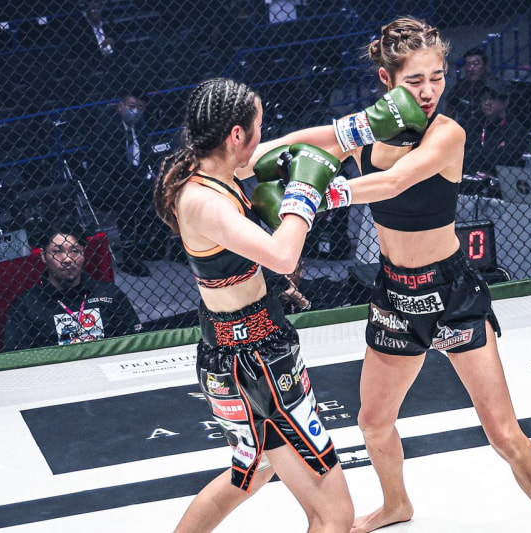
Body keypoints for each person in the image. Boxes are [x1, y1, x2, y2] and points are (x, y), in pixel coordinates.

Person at [241, 16, 531, 533]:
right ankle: (397, 504)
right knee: (373, 424)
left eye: (437, 76)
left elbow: (394, 182)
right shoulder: (366, 130)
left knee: (504, 434)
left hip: (452, 294)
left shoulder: (447, 133)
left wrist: (317, 195)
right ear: (386, 80)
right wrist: (244, 161)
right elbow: (275, 154)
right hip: (395, 295)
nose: (429, 91)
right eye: (415, 80)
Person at [151, 78, 354, 533]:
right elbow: (283, 256)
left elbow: (295, 143)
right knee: (335, 515)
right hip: (257, 362)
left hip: (238, 351)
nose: (264, 134)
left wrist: (360, 128)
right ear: (236, 134)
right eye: (259, 126)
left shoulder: (214, 172)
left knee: (255, 470)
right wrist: (303, 194)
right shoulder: (203, 201)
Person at [3, 223, 142, 352]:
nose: (67, 259)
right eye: (57, 252)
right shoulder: (26, 305)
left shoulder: (109, 293)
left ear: (83, 253)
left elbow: (137, 341)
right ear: (43, 256)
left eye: (75, 251)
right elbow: (15, 357)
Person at [87, 91, 170, 277]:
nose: (136, 111)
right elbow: (111, 162)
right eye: (131, 106)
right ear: (120, 107)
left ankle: (153, 244)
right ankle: (128, 254)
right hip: (106, 185)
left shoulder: (138, 129)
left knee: (166, 189)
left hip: (133, 180)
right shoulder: (107, 127)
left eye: (140, 108)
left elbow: (146, 156)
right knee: (129, 194)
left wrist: (154, 175)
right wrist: (142, 176)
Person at [463, 82, 528, 176]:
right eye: (484, 98)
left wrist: (477, 154)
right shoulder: (475, 122)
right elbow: (464, 152)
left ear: (506, 102)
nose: (487, 103)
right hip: (472, 175)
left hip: (502, 177)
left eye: (492, 98)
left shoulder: (515, 128)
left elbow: (503, 160)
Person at [445, 47, 499, 127]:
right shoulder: (460, 87)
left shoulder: (495, 86)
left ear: (485, 66)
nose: (471, 68)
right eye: (468, 64)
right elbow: (449, 112)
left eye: (476, 63)